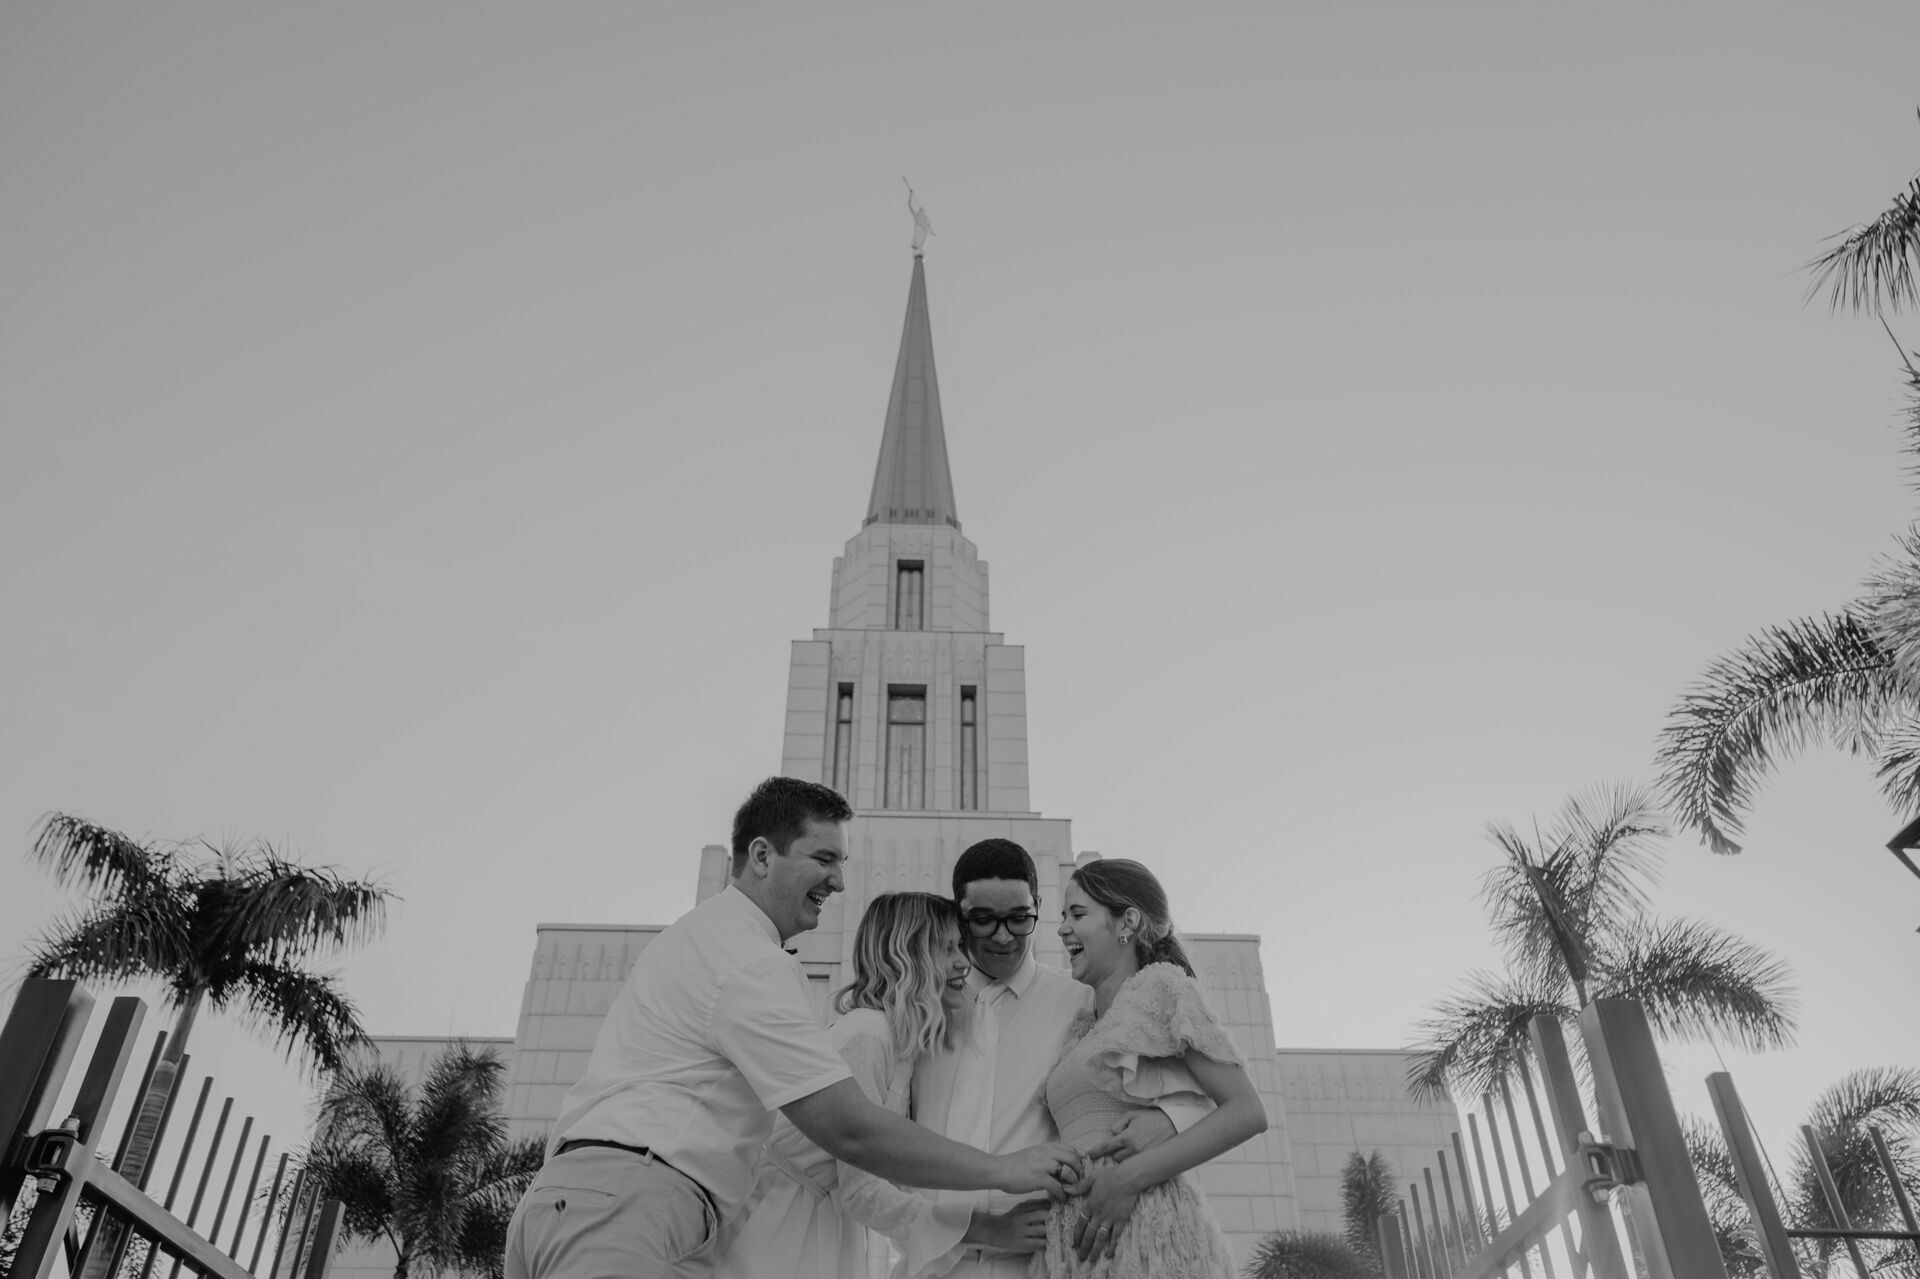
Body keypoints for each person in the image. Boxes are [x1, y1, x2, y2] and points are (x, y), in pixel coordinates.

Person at [503, 779, 1081, 1279]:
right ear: (761, 856)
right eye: (824, 859)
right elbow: (851, 1131)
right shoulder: (767, 970)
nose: (837, 882)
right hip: (636, 1205)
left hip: (585, 1198)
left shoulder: (701, 936)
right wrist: (1002, 1176)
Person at [909, 841, 1208, 1279]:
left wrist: (1170, 1117)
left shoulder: (1084, 999)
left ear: (1039, 909)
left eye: (1018, 918)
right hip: (931, 1264)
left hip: (1044, 1262)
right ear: (960, 915)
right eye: (982, 919)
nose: (1003, 935)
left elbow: (1196, 1085)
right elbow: (875, 1153)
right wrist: (977, 1229)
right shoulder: (919, 1009)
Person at [717, 892, 1051, 1279]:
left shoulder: (899, 1044)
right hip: (779, 1225)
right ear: (906, 957)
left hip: (819, 1220)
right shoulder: (869, 1034)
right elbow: (863, 1190)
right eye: (946, 949)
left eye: (961, 946)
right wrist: (990, 1229)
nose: (963, 962)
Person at [1034, 858, 1269, 1278]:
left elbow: (1247, 1111)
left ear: (1127, 922)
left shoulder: (1162, 987)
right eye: (1062, 916)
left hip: (1148, 1235)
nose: (1063, 927)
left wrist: (1127, 1180)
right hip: (1077, 1244)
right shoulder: (1081, 1029)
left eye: (1078, 914)